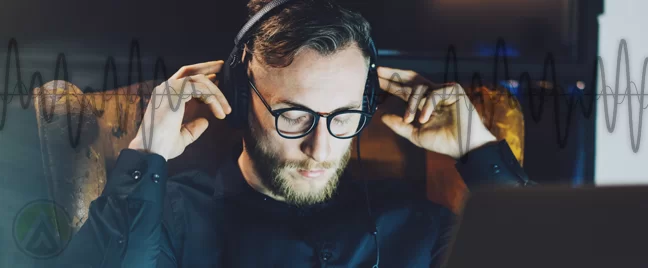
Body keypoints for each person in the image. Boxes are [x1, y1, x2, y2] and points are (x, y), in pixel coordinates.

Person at [55, 0, 534, 267]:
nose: (320, 147)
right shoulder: (166, 223)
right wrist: (146, 153)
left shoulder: (419, 228)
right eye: (294, 115)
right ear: (240, 101)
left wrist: (480, 151)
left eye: (344, 116)